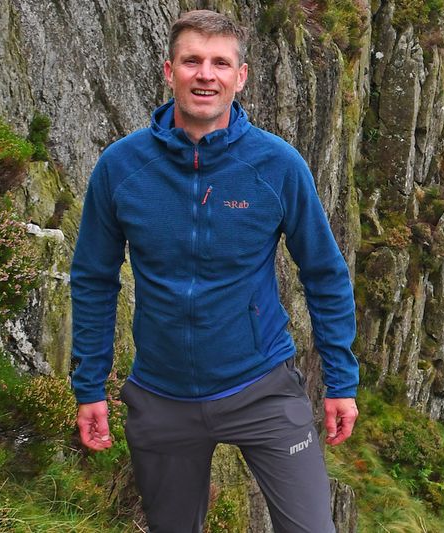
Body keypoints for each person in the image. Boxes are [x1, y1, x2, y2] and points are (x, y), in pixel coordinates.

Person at [69, 10, 359, 532]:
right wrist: (89, 386)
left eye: (220, 63)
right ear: (168, 70)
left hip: (263, 387)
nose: (206, 74)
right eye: (192, 61)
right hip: (161, 397)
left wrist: (341, 381)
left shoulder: (277, 166)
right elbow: (93, 278)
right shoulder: (120, 167)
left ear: (240, 77)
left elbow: (324, 273)